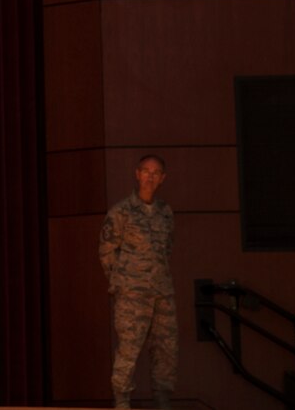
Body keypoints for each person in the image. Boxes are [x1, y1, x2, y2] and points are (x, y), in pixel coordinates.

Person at [98, 155, 178, 409]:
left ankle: (163, 400)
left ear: (162, 178)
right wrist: (121, 283)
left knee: (166, 350)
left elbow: (167, 249)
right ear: (137, 174)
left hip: (162, 293)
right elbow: (106, 251)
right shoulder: (121, 212)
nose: (150, 176)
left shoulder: (165, 212)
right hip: (132, 295)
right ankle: (122, 401)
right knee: (129, 350)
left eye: (156, 173)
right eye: (146, 171)